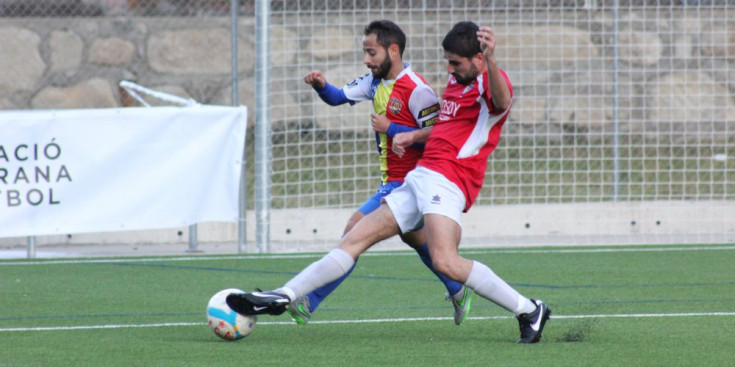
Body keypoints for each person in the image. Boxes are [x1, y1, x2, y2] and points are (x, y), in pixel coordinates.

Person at [227, 21, 551, 343]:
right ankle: (286, 295)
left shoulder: (488, 84)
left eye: (456, 62)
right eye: (448, 61)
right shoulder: (455, 83)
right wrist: (408, 133)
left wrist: (492, 62)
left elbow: (503, 98)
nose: (449, 69)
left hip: (450, 180)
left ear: (479, 60)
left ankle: (528, 309)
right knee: (353, 238)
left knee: (445, 260)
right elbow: (443, 129)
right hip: (420, 176)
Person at [289, 19, 471, 326]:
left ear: (393, 50)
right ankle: (457, 288)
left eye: (372, 52)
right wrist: (321, 86)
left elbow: (438, 137)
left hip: (411, 183)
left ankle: (309, 301)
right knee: (420, 243)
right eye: (365, 52)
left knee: (352, 232)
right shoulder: (373, 82)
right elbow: (337, 97)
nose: (366, 59)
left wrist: (393, 128)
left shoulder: (418, 91)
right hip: (391, 182)